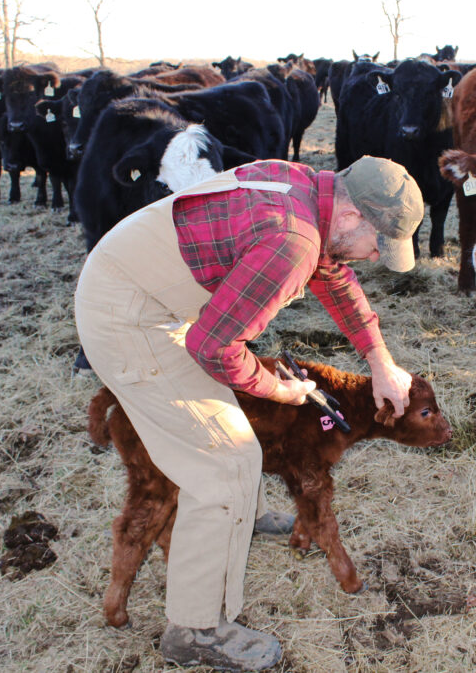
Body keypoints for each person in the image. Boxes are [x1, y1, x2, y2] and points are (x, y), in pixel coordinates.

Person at [74, 155, 424, 670]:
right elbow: (214, 347)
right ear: (352, 217)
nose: (375, 257)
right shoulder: (293, 241)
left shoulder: (309, 188)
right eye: (380, 243)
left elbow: (334, 273)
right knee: (225, 463)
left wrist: (380, 361)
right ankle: (194, 630)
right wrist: (280, 391)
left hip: (140, 286)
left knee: (230, 431)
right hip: (131, 318)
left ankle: (246, 515)